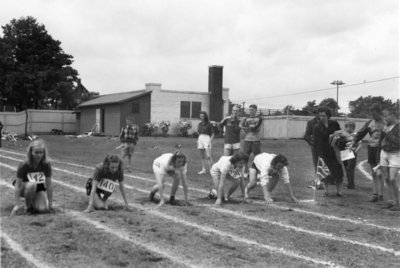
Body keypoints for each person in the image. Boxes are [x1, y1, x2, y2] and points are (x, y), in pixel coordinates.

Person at [11, 139, 53, 216]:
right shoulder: (23, 165)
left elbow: (49, 184)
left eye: (41, 152)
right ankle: (28, 207)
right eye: (36, 152)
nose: (39, 155)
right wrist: (17, 205)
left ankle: (35, 201)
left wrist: (50, 203)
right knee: (32, 185)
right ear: (31, 153)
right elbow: (17, 185)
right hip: (24, 188)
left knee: (42, 209)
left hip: (38, 188)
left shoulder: (46, 165)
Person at [353, 104, 385, 202]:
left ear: (379, 112)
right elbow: (360, 133)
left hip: (381, 149)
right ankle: (375, 194)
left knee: (380, 172)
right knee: (374, 172)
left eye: (375, 114)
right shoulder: (370, 123)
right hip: (371, 148)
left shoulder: (385, 122)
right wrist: (354, 141)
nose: (373, 116)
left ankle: (381, 195)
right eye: (372, 114)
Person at [313, 107, 344, 196]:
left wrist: (338, 137)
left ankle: (339, 191)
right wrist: (320, 156)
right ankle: (326, 191)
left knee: (338, 171)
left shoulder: (334, 123)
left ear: (328, 115)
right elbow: (317, 143)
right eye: (320, 116)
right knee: (325, 172)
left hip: (335, 151)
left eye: (323, 115)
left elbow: (340, 133)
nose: (321, 117)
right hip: (324, 152)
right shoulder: (317, 127)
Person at [378, 107, 399, 211]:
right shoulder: (385, 127)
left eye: (386, 116)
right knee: (386, 178)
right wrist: (379, 154)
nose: (384, 118)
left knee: (392, 178)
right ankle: (390, 201)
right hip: (384, 153)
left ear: (393, 115)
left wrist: (388, 134)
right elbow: (381, 141)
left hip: (396, 154)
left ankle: (397, 203)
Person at [240, 104, 263, 173]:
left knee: (258, 158)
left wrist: (247, 128)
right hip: (247, 140)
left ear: (256, 110)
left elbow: (256, 129)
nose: (250, 111)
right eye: (249, 110)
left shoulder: (259, 118)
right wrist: (247, 128)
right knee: (245, 157)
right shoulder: (246, 118)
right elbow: (241, 126)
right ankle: (245, 172)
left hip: (256, 141)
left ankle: (258, 173)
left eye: (252, 110)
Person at [304, 109, 320, 174]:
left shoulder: (327, 121)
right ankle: (318, 177)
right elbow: (306, 135)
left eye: (318, 113)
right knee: (316, 161)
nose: (317, 115)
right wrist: (311, 143)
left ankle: (328, 178)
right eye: (316, 113)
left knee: (327, 161)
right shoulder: (311, 122)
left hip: (326, 146)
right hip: (315, 146)